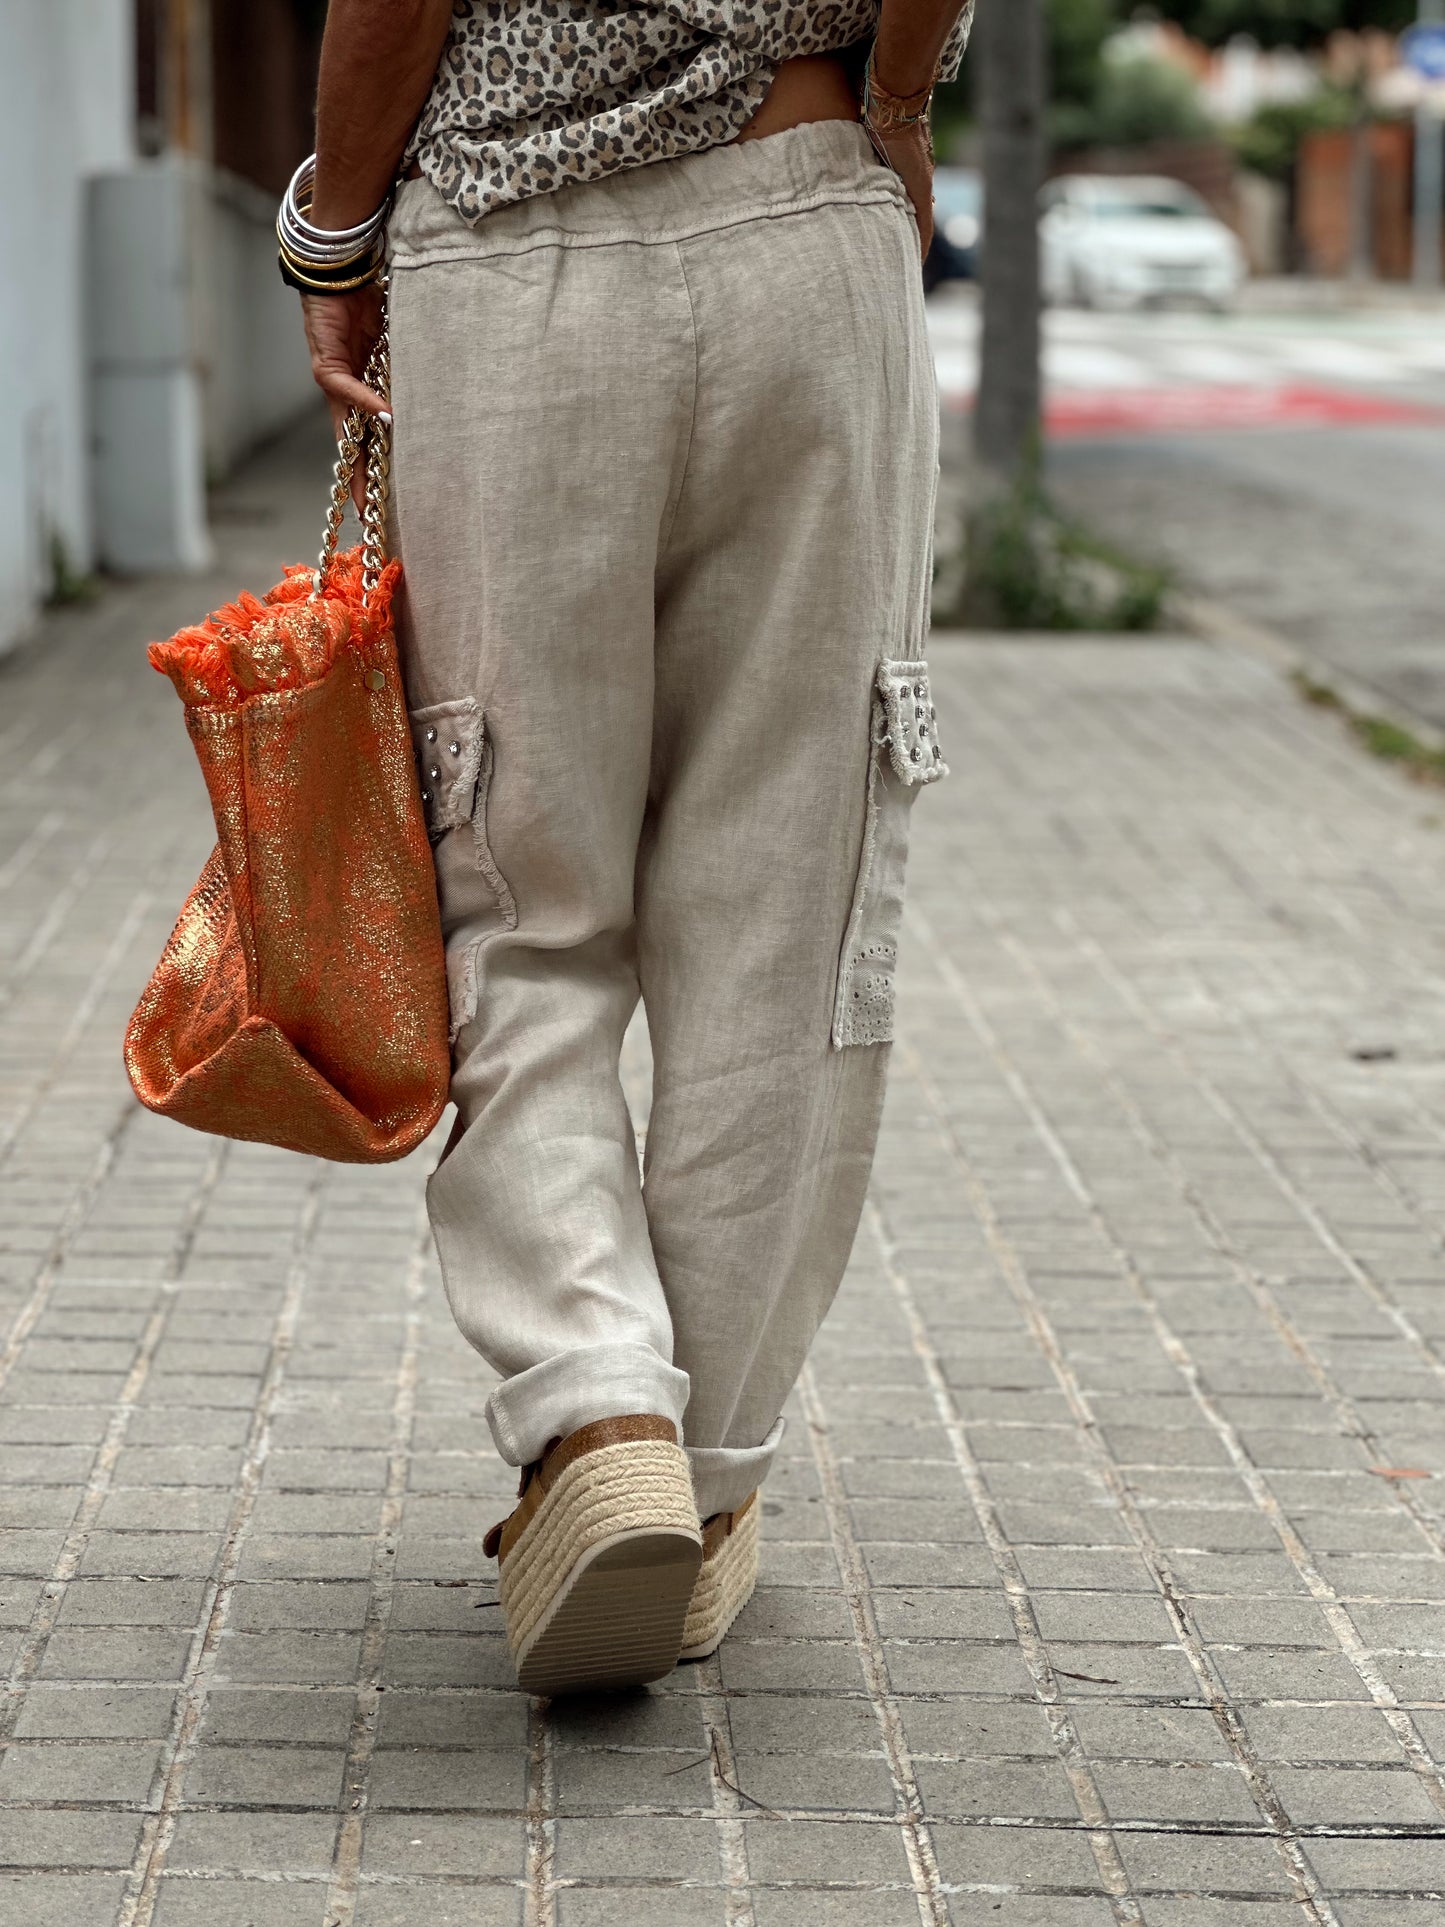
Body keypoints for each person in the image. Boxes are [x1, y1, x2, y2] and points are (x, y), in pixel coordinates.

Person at [282, 0, 972, 1697]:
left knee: (520, 893)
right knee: (784, 897)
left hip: (516, 270)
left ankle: (597, 1409)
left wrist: (333, 227)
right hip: (806, 212)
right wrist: (890, 102)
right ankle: (706, 1476)